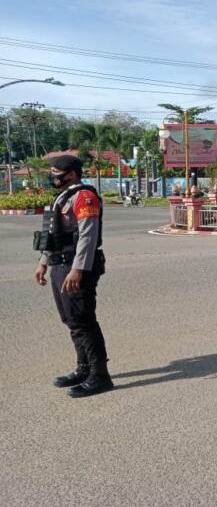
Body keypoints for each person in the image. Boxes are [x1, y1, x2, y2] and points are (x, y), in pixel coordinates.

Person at [33, 155, 112, 398]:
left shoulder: (84, 197)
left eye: (57, 171)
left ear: (72, 174)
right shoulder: (60, 198)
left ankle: (100, 376)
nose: (52, 175)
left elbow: (87, 237)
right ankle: (84, 368)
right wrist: (43, 262)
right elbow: (53, 234)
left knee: (82, 320)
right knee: (70, 320)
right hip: (60, 266)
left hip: (76, 269)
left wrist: (78, 269)